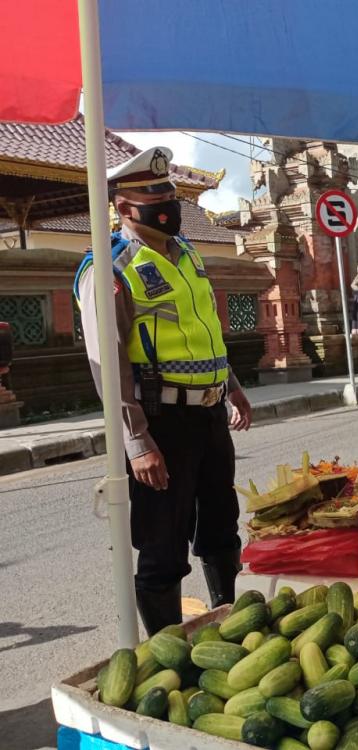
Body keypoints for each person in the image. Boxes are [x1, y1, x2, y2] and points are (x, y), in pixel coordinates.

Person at [73, 147, 253, 634]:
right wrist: (137, 442)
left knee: (220, 530)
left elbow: (206, 329)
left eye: (170, 193)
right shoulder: (108, 268)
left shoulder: (188, 253)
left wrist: (231, 385)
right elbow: (107, 366)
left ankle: (229, 627)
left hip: (210, 415)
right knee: (163, 544)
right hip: (161, 422)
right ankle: (165, 651)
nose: (168, 204)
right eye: (154, 196)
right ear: (124, 208)